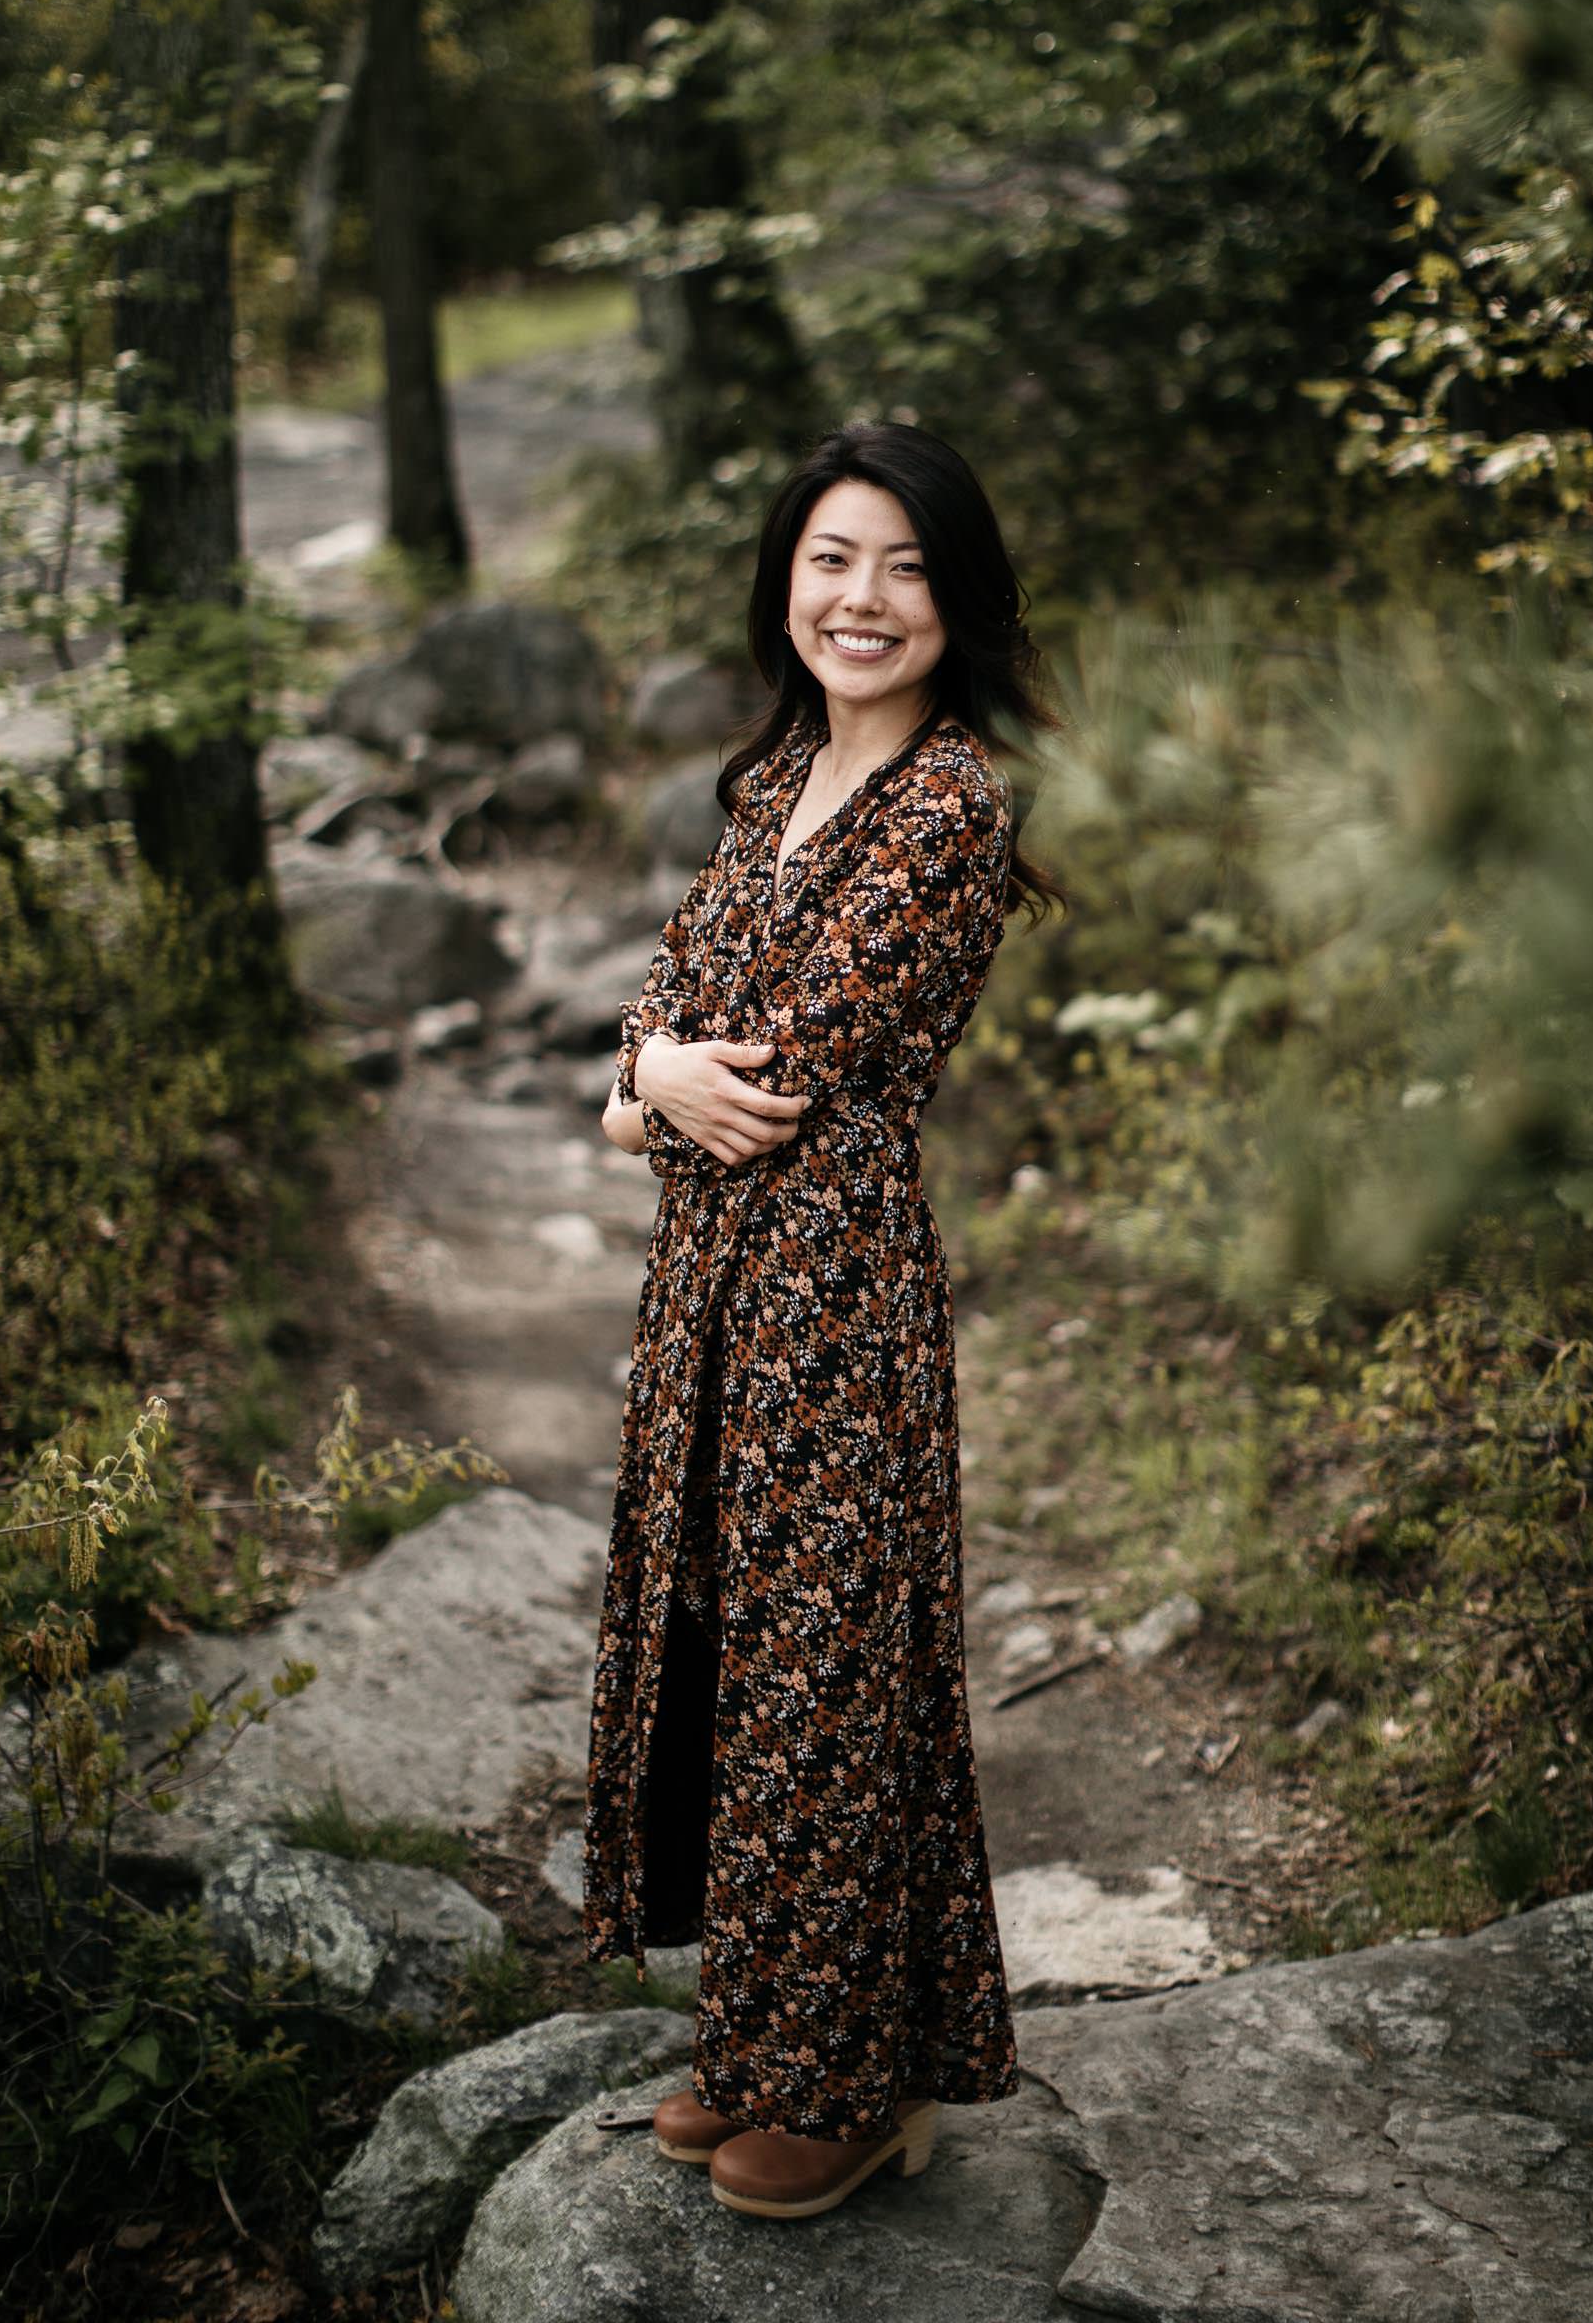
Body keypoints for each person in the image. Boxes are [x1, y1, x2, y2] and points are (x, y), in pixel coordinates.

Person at [584, 420, 1061, 2221]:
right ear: (788, 579)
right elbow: (650, 1043)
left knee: (833, 1678)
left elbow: (767, 1072)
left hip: (833, 1304)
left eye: (908, 568)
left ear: (959, 601)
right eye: (832, 561)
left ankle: (850, 2080)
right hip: (708, 1292)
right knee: (724, 1651)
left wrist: (652, 1075)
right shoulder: (772, 773)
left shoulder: (950, 807)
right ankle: (761, 2024)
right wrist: (651, 1072)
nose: (863, 600)